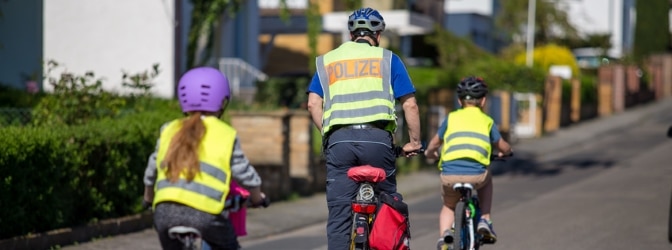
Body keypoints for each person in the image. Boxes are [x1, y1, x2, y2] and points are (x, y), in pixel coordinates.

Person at [306, 7, 423, 250]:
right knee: (388, 204)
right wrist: (414, 142)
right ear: (378, 34)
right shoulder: (388, 59)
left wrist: (328, 133)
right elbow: (410, 105)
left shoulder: (327, 61)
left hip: (339, 143)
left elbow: (312, 103)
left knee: (339, 215)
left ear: (351, 35)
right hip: (378, 141)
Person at [142, 67, 267, 250]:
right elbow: (244, 173)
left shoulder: (169, 129)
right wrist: (257, 198)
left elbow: (151, 171)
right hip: (206, 214)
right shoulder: (225, 133)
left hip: (164, 213)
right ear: (223, 101)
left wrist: (148, 199)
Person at [423, 76, 512, 248]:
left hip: (450, 174)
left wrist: (430, 153)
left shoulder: (451, 118)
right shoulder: (487, 121)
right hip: (476, 175)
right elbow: (502, 145)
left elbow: (434, 143)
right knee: (488, 180)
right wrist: (506, 151)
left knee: (449, 206)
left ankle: (445, 235)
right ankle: (485, 220)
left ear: (459, 100)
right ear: (483, 100)